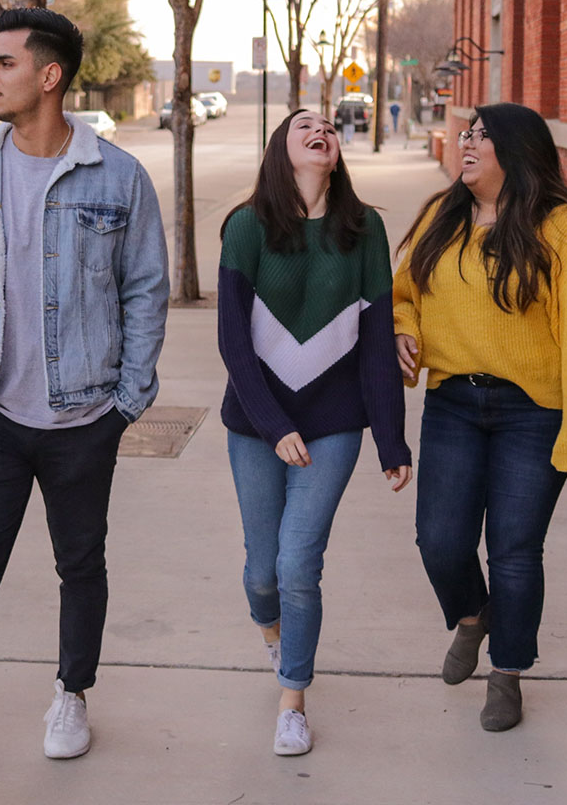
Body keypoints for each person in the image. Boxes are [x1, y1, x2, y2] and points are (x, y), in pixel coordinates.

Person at [0, 8, 169, 800]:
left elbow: (146, 288)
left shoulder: (117, 177)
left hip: (85, 417)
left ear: (49, 76)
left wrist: (127, 400)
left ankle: (71, 695)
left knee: (80, 563)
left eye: (3, 63)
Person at [393, 102, 567, 732]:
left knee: (515, 550)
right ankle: (472, 616)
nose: (466, 143)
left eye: (482, 136)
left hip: (532, 411)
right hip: (453, 402)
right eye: (466, 133)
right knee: (439, 540)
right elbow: (403, 293)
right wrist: (402, 330)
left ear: (516, 151)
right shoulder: (442, 216)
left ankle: (508, 673)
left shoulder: (563, 228)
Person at [218, 108, 411, 756]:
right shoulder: (246, 228)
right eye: (304, 125)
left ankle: (292, 697)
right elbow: (233, 344)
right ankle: (275, 635)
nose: (320, 129)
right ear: (282, 148)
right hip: (255, 423)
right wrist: (273, 427)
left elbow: (379, 342)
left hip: (332, 425)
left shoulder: (366, 230)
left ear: (337, 150)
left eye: (329, 125)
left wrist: (391, 440)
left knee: (299, 564)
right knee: (261, 572)